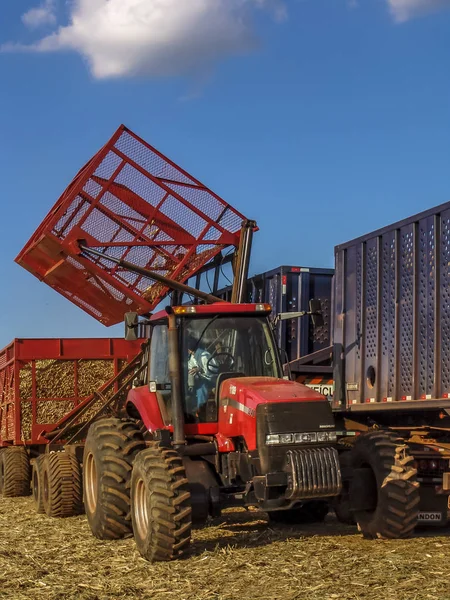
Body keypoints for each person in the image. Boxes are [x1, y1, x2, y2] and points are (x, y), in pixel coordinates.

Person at [186, 336, 216, 417]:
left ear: (189, 349)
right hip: (200, 378)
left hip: (211, 380)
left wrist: (199, 369)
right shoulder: (192, 357)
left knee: (201, 386)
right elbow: (191, 365)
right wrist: (192, 369)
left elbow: (212, 371)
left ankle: (201, 410)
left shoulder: (204, 355)